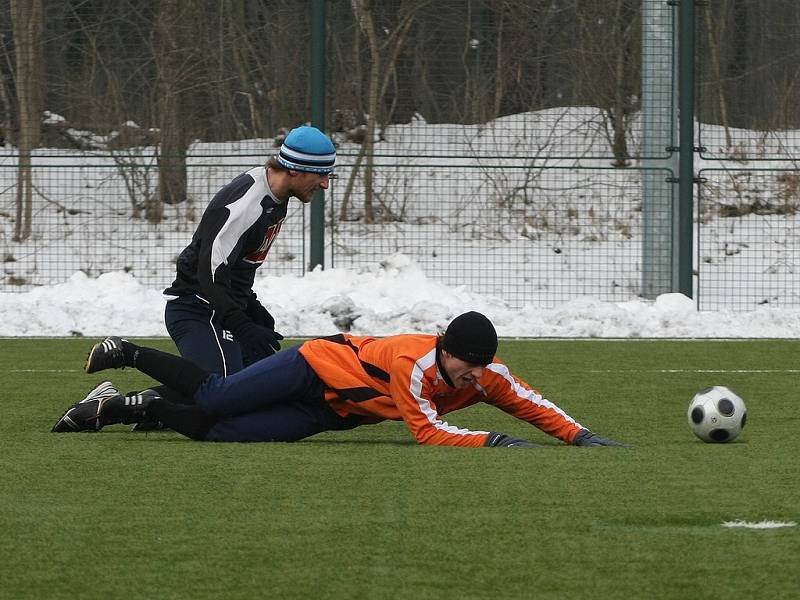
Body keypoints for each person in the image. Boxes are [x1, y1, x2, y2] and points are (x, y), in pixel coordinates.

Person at [52, 312, 627, 448]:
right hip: (316, 365)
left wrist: (579, 436)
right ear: (445, 351)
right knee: (217, 395)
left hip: (333, 411)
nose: (474, 379)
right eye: (466, 366)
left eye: (481, 368)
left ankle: (123, 408)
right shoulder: (416, 365)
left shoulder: (484, 376)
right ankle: (127, 351)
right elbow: (426, 433)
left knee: (220, 433)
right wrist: (488, 439)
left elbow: (530, 402)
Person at [164, 125, 337, 377]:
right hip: (198, 307)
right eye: (320, 174)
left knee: (263, 389)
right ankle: (120, 396)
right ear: (293, 169)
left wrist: (250, 305)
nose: (325, 184)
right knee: (221, 392)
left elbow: (237, 263)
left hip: (223, 306)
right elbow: (209, 270)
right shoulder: (246, 205)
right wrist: (241, 323)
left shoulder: (276, 194)